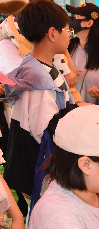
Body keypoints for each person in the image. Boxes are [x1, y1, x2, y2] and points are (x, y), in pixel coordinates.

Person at [4, 0, 76, 214]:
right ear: (52, 33)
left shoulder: (34, 66)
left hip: (26, 164)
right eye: (67, 29)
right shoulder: (41, 80)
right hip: (37, 172)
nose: (69, 34)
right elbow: (47, 132)